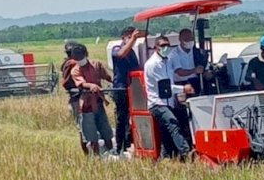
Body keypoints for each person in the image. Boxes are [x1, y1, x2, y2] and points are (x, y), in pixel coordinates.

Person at [144, 36, 194, 160]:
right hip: (157, 103)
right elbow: (164, 87)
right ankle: (187, 153)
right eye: (162, 45)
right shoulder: (152, 64)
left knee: (166, 131)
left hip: (168, 102)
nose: (166, 48)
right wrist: (183, 88)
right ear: (156, 47)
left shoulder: (167, 61)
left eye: (168, 45)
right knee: (173, 124)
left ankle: (166, 157)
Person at [71, 44, 114, 156]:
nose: (79, 60)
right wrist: (91, 85)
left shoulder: (96, 65)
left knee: (106, 132)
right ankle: (96, 157)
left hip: (99, 103)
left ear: (86, 54)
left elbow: (107, 77)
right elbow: (81, 83)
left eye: (81, 57)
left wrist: (116, 82)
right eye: (77, 58)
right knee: (92, 136)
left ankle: (111, 153)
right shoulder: (75, 70)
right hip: (87, 106)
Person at [110, 26, 141, 154]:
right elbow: (121, 54)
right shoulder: (116, 48)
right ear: (123, 37)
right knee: (122, 118)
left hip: (133, 87)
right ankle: (119, 146)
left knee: (134, 117)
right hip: (121, 88)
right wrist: (132, 39)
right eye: (129, 36)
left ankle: (130, 142)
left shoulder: (132, 52)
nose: (131, 38)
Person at [60, 41, 88, 155]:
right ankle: (88, 153)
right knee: (84, 128)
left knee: (84, 128)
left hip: (75, 98)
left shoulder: (67, 63)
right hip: (77, 99)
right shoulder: (72, 64)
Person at [170, 28, 210, 95]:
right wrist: (194, 70)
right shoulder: (174, 53)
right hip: (181, 84)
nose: (189, 41)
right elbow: (180, 72)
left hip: (197, 82)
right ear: (180, 39)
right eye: (186, 39)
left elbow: (205, 69)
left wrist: (207, 73)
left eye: (191, 39)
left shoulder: (199, 53)